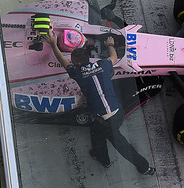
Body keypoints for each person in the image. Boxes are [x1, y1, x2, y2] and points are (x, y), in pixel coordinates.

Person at [42, 32, 154, 175]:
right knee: (100, 134)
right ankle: (104, 156)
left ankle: (139, 167)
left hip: (104, 120)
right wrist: (110, 45)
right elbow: (113, 56)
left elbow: (62, 60)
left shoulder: (77, 73)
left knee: (119, 145)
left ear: (77, 64)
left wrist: (52, 43)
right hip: (118, 112)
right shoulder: (103, 64)